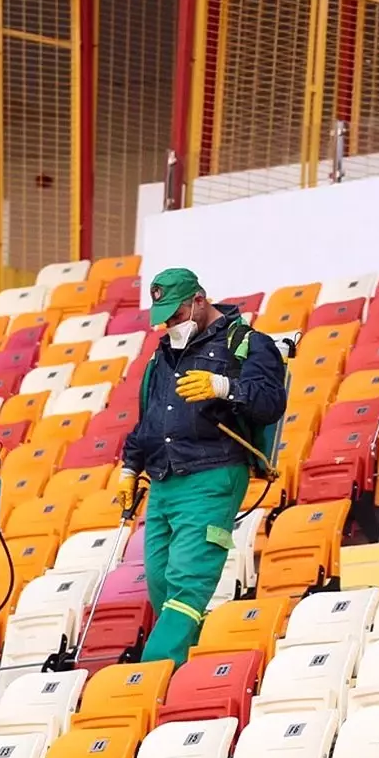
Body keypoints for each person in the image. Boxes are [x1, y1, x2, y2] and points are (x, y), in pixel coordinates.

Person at [119, 268, 288, 667]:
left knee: (187, 582)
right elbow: (151, 419)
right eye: (163, 318)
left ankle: (154, 672)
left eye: (175, 315)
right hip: (163, 480)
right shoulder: (163, 356)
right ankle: (201, 658)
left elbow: (270, 402)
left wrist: (225, 387)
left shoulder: (247, 343)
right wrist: (129, 467)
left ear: (199, 300)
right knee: (160, 581)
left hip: (213, 473)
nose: (168, 325)